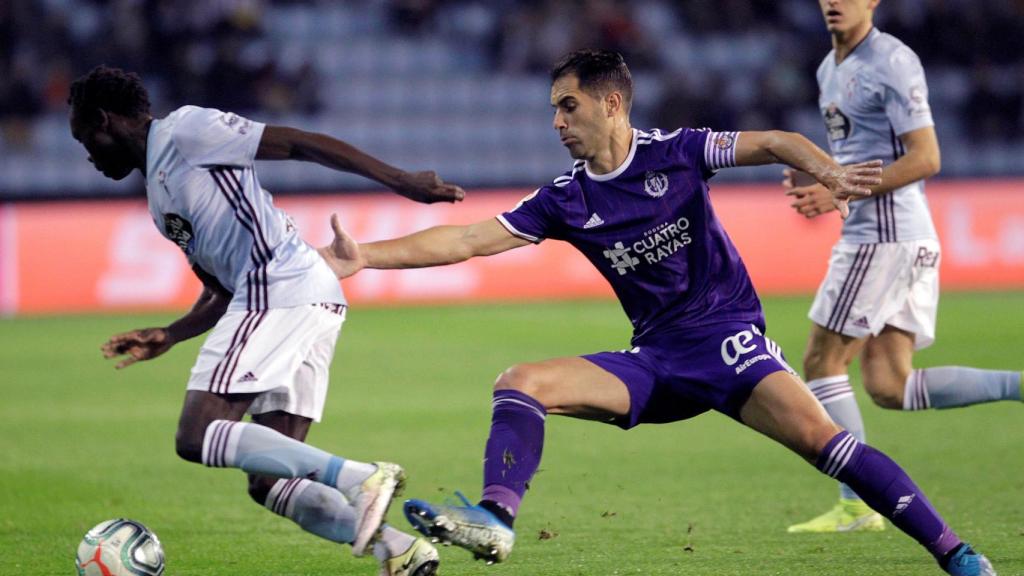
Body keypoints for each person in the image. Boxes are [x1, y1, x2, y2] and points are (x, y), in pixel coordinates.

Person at [318, 50, 995, 576]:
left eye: (568, 106)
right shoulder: (565, 198)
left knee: (828, 446)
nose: (557, 122)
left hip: (729, 344)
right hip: (657, 360)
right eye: (554, 109)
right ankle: (496, 517)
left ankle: (956, 553)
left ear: (611, 103)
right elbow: (468, 238)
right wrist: (367, 257)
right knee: (520, 381)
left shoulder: (678, 152)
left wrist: (831, 173)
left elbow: (776, 140)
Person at [69, 65, 463, 576]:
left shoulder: (185, 130)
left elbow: (299, 143)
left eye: (86, 138)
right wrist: (171, 333)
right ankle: (400, 550)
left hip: (279, 285)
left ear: (106, 120)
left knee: (197, 435)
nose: (88, 155)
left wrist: (400, 180)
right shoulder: (158, 199)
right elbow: (219, 288)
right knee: (271, 481)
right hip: (302, 295)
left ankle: (361, 478)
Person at [783, 0, 1022, 535]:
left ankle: (856, 503)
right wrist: (820, 174)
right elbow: (863, 148)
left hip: (883, 238)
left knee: (822, 361)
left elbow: (926, 158)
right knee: (891, 385)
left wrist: (839, 187)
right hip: (896, 237)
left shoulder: (892, 60)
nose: (834, 3)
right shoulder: (830, 68)